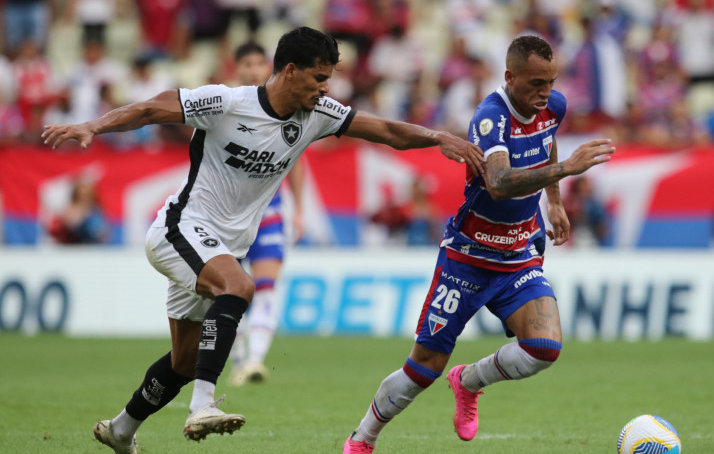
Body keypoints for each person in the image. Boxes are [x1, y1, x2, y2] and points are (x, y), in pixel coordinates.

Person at [42, 26, 484, 454]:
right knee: (239, 287)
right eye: (319, 77)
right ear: (290, 70)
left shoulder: (317, 116)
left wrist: (437, 136)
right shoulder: (226, 102)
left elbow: (385, 131)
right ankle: (202, 406)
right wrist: (94, 127)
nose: (325, 89)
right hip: (180, 229)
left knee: (182, 361)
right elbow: (154, 108)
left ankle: (121, 428)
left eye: (328, 78)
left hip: (222, 249)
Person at [343, 35, 614, 453]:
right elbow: (500, 183)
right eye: (536, 83)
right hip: (468, 258)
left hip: (519, 254)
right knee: (423, 368)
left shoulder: (552, 106)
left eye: (551, 81)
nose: (546, 92)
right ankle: (363, 437)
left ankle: (468, 381)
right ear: (510, 76)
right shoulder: (491, 117)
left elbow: (548, 140)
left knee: (544, 348)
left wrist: (555, 201)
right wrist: (567, 170)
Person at [227, 41, 306, 385]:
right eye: (247, 63)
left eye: (261, 62)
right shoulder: (226, 105)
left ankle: (255, 361)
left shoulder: (285, 108)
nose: (254, 69)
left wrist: (298, 209)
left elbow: (297, 160)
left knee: (267, 287)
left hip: (269, 212)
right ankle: (238, 359)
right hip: (228, 215)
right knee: (228, 291)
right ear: (237, 69)